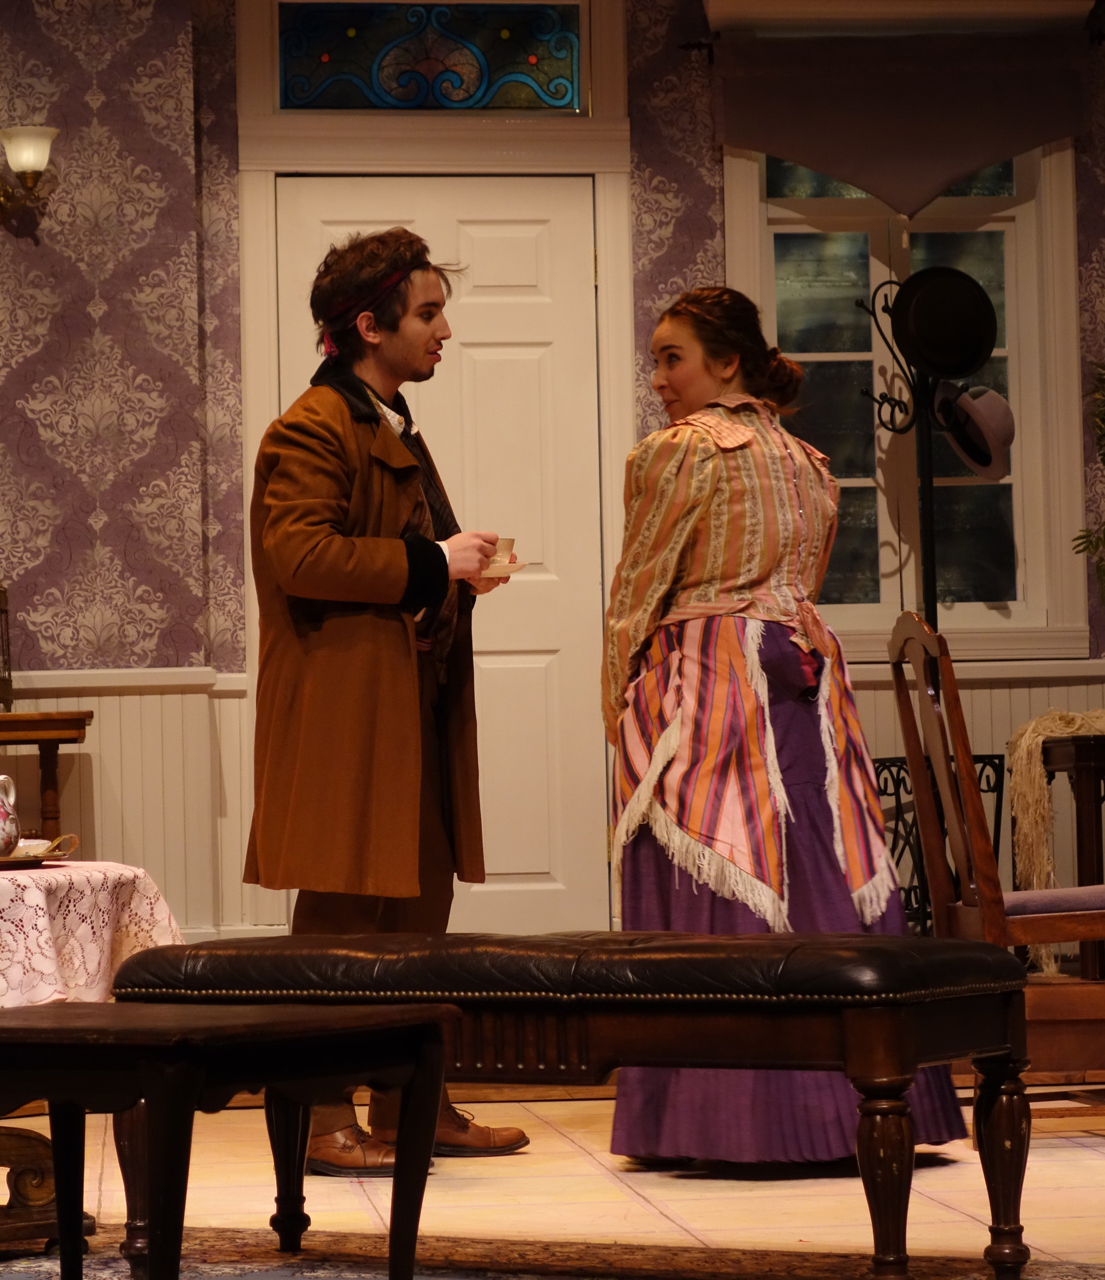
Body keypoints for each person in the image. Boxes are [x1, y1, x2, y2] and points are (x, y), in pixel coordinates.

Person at [603, 286, 966, 1163]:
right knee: (819, 859)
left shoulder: (676, 454)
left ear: (726, 363)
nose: (658, 378)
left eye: (671, 357)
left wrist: (617, 695)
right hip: (801, 664)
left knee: (728, 853)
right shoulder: (807, 459)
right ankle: (862, 1103)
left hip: (716, 669)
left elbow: (640, 589)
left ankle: (732, 1123)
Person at [245, 227, 530, 1175]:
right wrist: (430, 562)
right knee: (338, 917)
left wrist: (460, 569)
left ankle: (421, 1104)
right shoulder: (312, 426)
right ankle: (324, 1117)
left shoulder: (387, 418)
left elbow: (404, 547)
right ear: (369, 325)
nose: (444, 330)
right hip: (344, 710)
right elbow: (300, 555)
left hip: (405, 702)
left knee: (418, 910)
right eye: (429, 313)